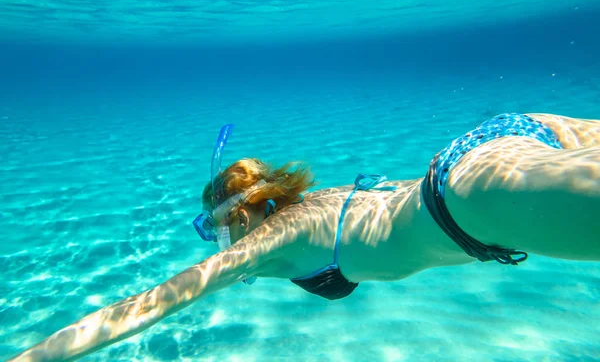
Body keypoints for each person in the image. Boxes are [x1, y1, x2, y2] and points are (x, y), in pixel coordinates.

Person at [8, 112, 600, 362]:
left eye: (210, 228)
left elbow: (146, 307)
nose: (216, 243)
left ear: (238, 217)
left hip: (475, 201)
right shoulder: (312, 202)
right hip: (508, 137)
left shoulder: (267, 238)